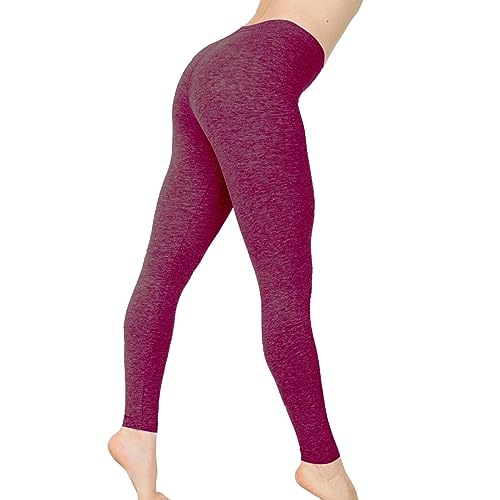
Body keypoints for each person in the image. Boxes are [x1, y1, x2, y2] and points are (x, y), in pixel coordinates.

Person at [108, 1, 363, 499]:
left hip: (211, 64)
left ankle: (136, 432)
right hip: (255, 72)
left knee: (161, 277)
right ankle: (321, 464)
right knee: (285, 293)